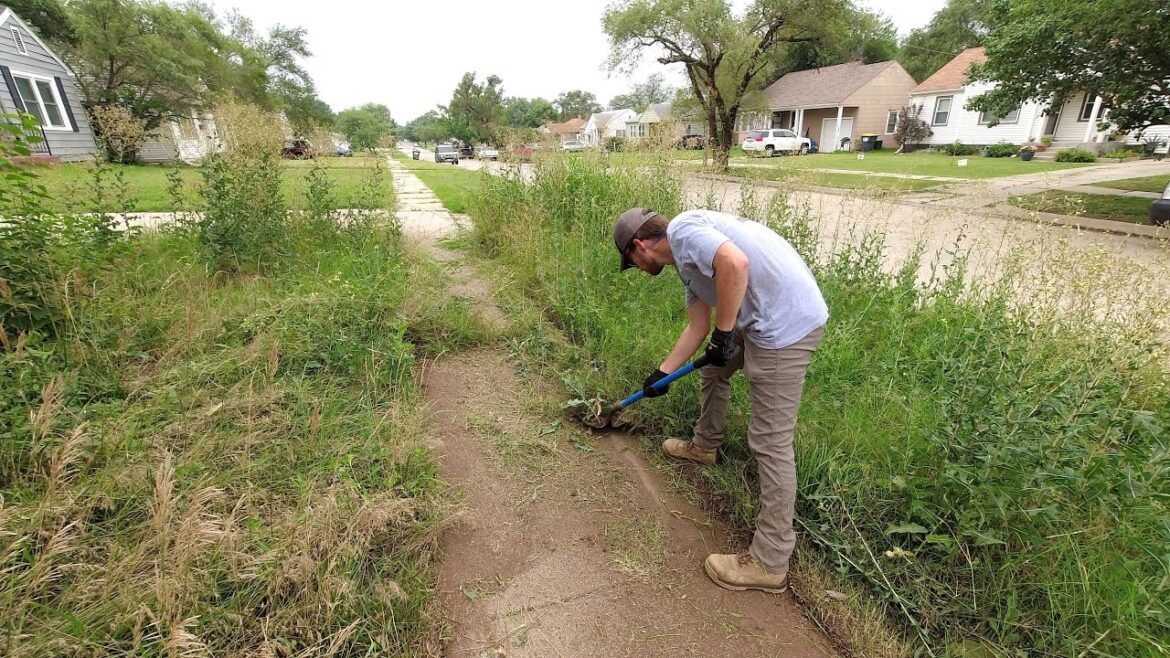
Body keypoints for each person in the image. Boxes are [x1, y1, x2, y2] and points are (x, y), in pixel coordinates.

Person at [613, 207, 828, 593]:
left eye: (631, 261)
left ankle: (770, 560)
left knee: (770, 441)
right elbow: (699, 325)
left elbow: (736, 262)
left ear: (639, 246)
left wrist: (724, 333)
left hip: (784, 327)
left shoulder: (683, 230)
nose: (637, 269)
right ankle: (704, 445)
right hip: (756, 320)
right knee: (714, 369)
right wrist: (663, 373)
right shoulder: (685, 264)